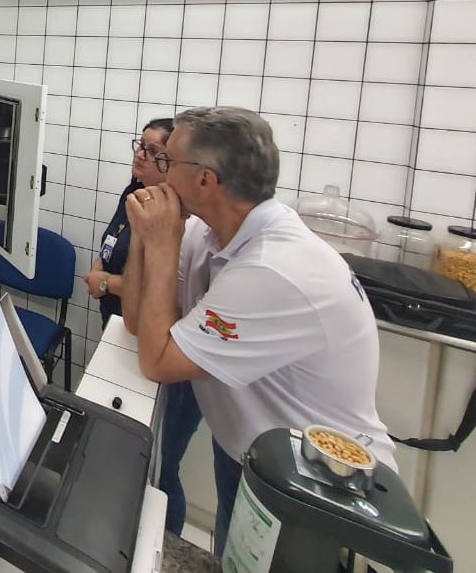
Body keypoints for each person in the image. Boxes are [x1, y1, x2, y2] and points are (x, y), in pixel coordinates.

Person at [120, 106, 396, 557]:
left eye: (169, 161)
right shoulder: (207, 235)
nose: (159, 171)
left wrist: (163, 241)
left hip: (316, 487)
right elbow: (137, 322)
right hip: (248, 457)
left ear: (205, 180)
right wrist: (144, 237)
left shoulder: (274, 268)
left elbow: (158, 360)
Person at [82, 120, 203, 537]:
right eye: (141, 145)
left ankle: (166, 545)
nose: (141, 155)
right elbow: (115, 249)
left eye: (154, 152)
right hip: (124, 333)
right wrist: (102, 271)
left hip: (170, 356)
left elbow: (164, 291)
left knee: (160, 468)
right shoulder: (134, 194)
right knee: (127, 457)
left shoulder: (180, 220)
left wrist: (105, 283)